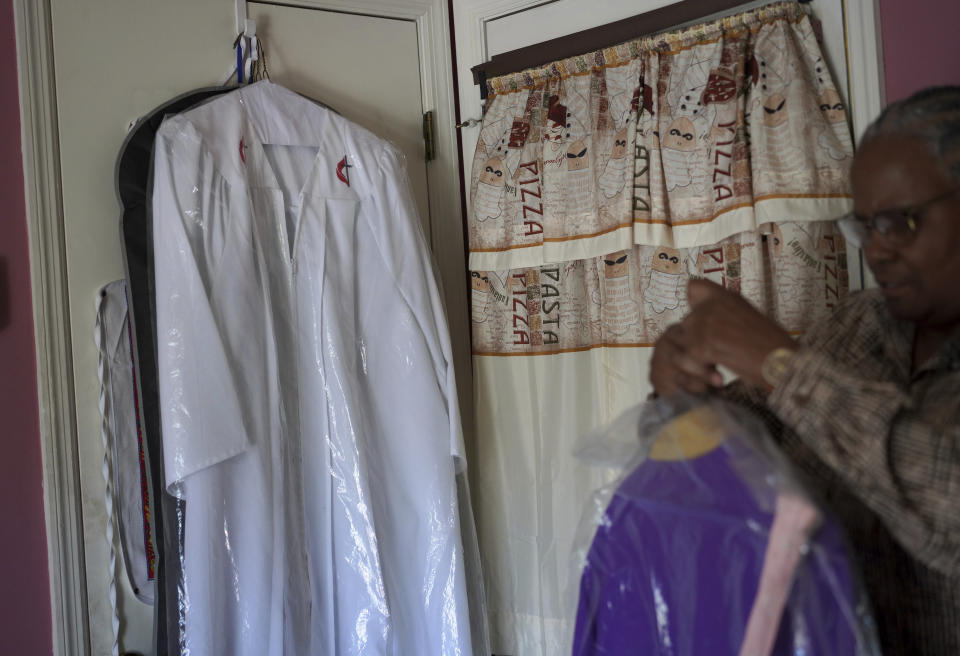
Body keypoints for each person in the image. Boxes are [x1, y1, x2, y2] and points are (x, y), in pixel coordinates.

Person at [650, 86, 960, 652]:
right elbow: (737, 452)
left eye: (900, 222)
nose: (876, 250)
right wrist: (682, 394)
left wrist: (781, 365)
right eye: (864, 225)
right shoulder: (856, 326)